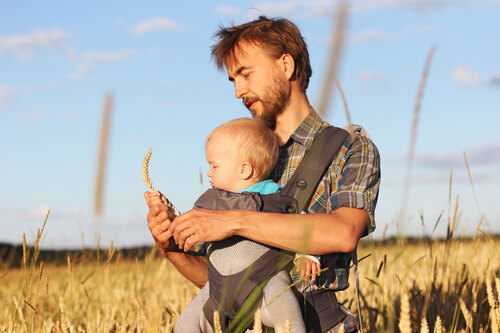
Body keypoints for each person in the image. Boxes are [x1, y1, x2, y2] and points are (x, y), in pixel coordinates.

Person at [145, 16, 380, 332]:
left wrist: (231, 221)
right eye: (233, 80)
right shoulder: (238, 154)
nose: (238, 91)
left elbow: (343, 231)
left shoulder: (349, 146)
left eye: (245, 74)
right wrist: (171, 248)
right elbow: (228, 281)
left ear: (286, 65)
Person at [149, 118, 306, 332]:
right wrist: (169, 214)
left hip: (265, 282)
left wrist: (308, 255)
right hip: (218, 287)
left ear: (244, 170)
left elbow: (302, 225)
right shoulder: (211, 201)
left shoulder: (274, 194)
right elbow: (189, 224)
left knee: (289, 320)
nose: (209, 172)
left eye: (214, 166)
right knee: (185, 324)